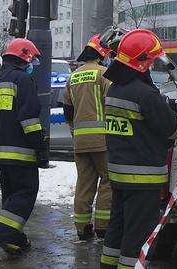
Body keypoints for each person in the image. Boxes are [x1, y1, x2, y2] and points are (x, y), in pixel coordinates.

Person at [100, 29, 177, 269]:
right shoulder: (144, 93)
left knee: (116, 230)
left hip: (118, 174)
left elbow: (147, 109)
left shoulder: (116, 89)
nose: (153, 63)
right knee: (137, 236)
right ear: (142, 61)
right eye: (151, 59)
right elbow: (172, 129)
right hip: (142, 178)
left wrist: (173, 104)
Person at [0, 38, 47, 255]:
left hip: (1, 152)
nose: (33, 66)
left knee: (11, 197)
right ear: (25, 56)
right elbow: (29, 117)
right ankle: (2, 233)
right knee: (25, 193)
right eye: (33, 60)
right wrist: (40, 146)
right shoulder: (22, 79)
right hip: (22, 151)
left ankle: (15, 237)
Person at [62, 34, 113, 240]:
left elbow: (67, 110)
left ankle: (82, 228)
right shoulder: (105, 73)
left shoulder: (73, 76)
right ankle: (102, 226)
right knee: (108, 180)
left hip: (80, 141)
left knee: (84, 183)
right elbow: (113, 103)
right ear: (102, 55)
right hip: (102, 140)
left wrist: (75, 131)